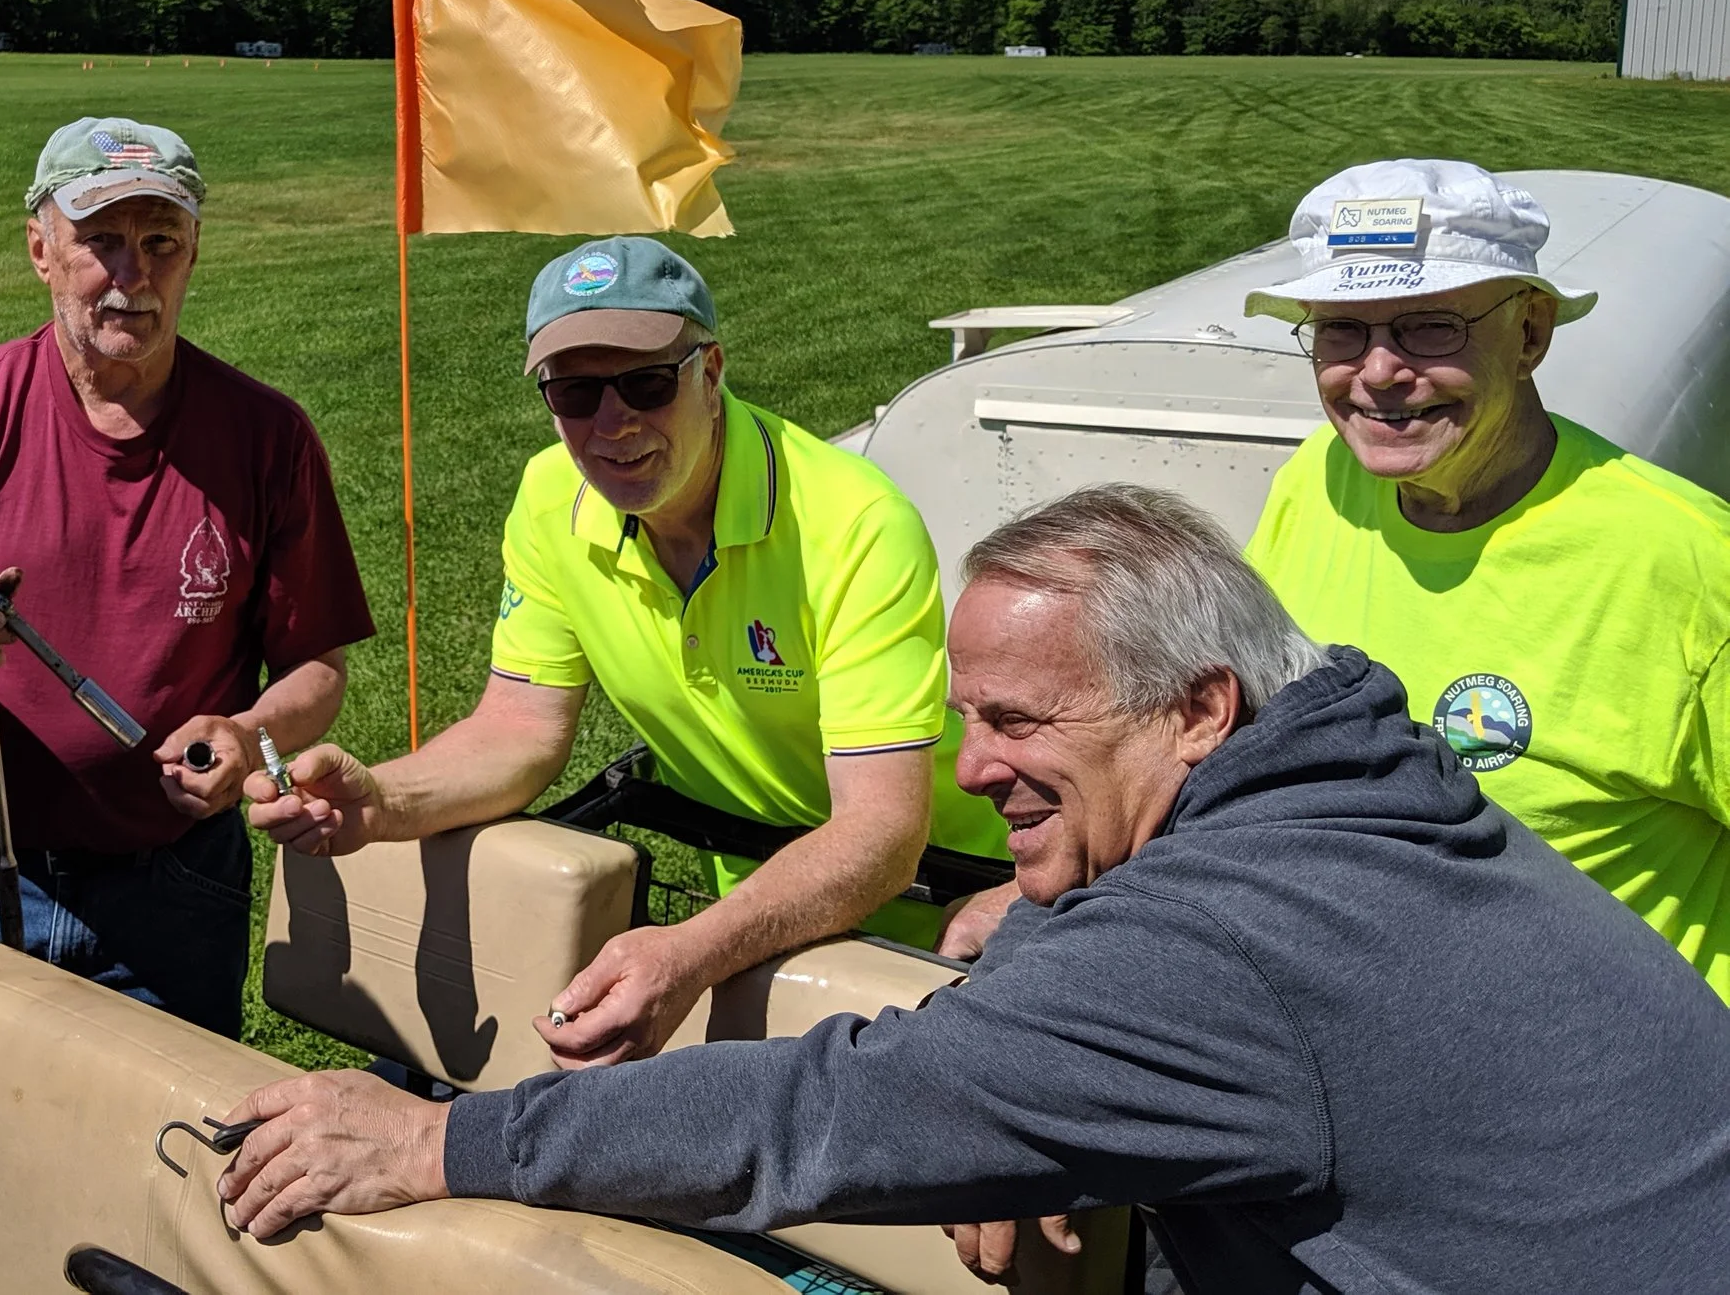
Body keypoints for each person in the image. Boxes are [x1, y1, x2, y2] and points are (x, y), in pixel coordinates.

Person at [211, 485, 1730, 1294]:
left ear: (1199, 708)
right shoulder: (1364, 786)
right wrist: (1061, 967)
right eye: (965, 713)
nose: (971, 762)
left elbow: (824, 1112)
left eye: (1017, 720)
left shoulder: (1223, 951)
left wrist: (442, 1134)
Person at [250, 236, 1005, 1069]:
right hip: (767, 894)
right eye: (574, 392)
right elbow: (519, 726)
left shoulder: (855, 523)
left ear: (710, 372)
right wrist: (381, 801)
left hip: (963, 894)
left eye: (647, 383)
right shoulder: (549, 496)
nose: (612, 424)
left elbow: (883, 830)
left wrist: (688, 952)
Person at [0, 116, 372, 1038]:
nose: (131, 274)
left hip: (174, 883)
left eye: (160, 242)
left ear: (193, 253)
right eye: (100, 241)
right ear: (41, 250)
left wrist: (249, 734)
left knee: (157, 1167)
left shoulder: (267, 436)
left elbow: (317, 665)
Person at [1236, 157, 1730, 1000]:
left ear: (1532, 332)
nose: (1380, 372)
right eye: (1341, 330)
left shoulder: (1684, 566)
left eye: (1430, 326)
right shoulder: (1317, 481)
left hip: (1616, 1090)